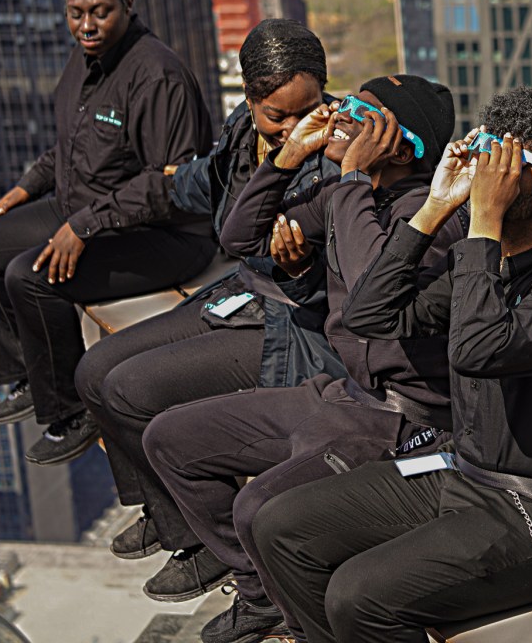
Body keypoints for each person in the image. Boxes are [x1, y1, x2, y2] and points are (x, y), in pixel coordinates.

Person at [252, 86, 532, 643]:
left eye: (510, 162)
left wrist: (483, 222)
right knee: (279, 526)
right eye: (489, 151)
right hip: (464, 474)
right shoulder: (490, 264)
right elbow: (370, 314)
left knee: (358, 596)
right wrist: (433, 209)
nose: (488, 170)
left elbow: (477, 350)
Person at [142, 75, 464, 643]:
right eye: (347, 103)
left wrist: (352, 177)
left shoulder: (428, 218)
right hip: (343, 396)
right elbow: (239, 238)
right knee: (170, 439)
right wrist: (287, 159)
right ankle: (261, 595)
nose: (340, 115)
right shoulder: (349, 194)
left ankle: (306, 625)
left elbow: (368, 296)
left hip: (403, 422)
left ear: (401, 146)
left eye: (361, 112)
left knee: (259, 507)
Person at [70, 19, 346, 603]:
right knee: (93, 372)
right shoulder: (243, 129)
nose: (296, 128)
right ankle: (174, 521)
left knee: (131, 389)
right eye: (278, 115)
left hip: (294, 322)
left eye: (309, 109)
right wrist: (103, 210)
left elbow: (353, 277)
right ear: (249, 98)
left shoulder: (342, 154)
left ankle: (233, 559)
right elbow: (202, 185)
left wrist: (303, 268)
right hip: (242, 293)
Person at [0, 0, 216, 461]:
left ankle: (73, 411)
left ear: (128, 6)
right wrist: (27, 187)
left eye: (100, 12)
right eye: (76, 14)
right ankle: (32, 379)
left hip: (163, 233)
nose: (86, 25)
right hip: (86, 208)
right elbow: (72, 146)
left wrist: (85, 226)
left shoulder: (156, 75)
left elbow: (170, 182)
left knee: (30, 276)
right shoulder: (85, 60)